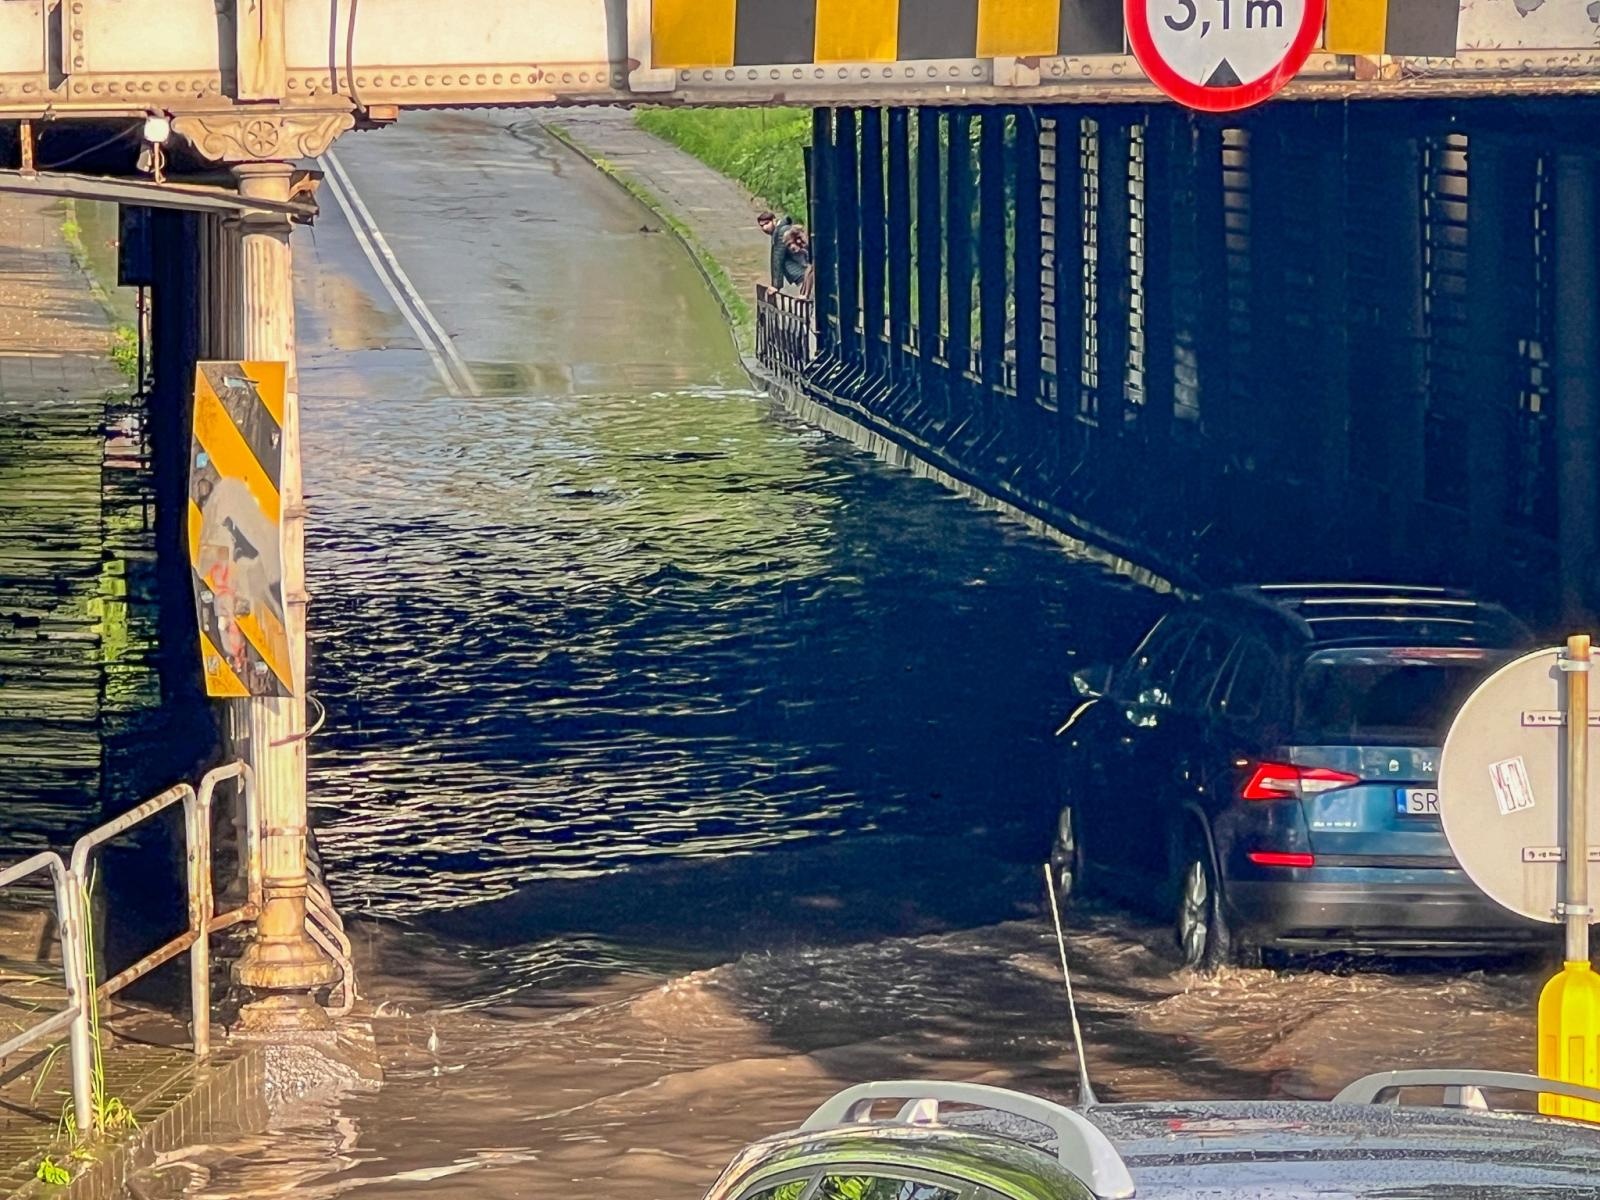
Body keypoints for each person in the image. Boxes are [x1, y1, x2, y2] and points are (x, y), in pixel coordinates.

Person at [757, 210, 793, 289]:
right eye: (762, 226)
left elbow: (777, 258)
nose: (764, 228)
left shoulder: (781, 232)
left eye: (767, 223)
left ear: (774, 220)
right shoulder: (780, 231)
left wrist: (776, 286)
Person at [780, 225, 812, 297]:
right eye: (788, 245)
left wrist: (806, 294)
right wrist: (803, 293)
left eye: (791, 243)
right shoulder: (804, 251)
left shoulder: (810, 245)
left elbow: (811, 270)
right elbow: (808, 270)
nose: (791, 247)